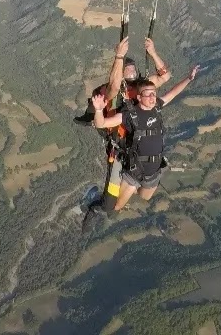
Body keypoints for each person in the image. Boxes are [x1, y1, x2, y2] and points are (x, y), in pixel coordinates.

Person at [85, 63, 199, 222]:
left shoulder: (156, 107)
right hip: (136, 170)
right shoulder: (130, 115)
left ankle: (131, 190)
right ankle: (92, 201)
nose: (153, 98)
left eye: (154, 94)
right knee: (116, 207)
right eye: (148, 95)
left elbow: (173, 92)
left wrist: (189, 78)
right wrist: (98, 110)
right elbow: (102, 124)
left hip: (154, 169)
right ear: (139, 97)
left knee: (145, 197)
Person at [74, 36, 171, 124]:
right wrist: (119, 56)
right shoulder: (112, 89)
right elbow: (114, 87)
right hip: (121, 131)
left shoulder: (142, 85)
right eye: (127, 70)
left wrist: (153, 53)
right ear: (121, 74)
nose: (131, 72)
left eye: (132, 69)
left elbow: (165, 76)